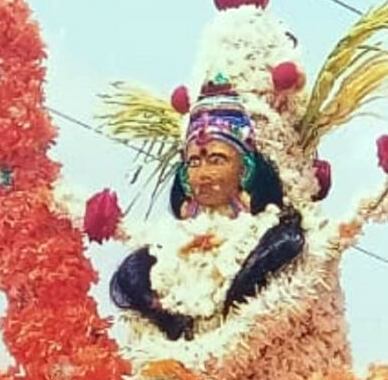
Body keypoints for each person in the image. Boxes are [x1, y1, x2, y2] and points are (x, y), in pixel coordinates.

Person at [110, 77, 304, 343]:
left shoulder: (271, 241)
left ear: (246, 169)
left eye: (216, 160)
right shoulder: (164, 246)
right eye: (194, 162)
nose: (203, 174)